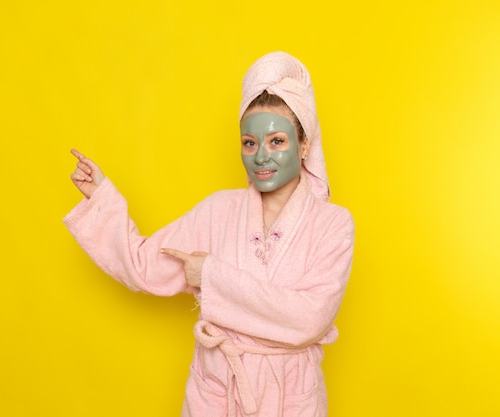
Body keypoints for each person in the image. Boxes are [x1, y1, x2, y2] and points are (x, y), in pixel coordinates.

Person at [64, 51, 354, 417]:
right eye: (250, 143)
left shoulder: (333, 224)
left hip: (290, 394)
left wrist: (211, 275)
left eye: (277, 141)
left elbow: (311, 318)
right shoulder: (218, 211)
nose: (261, 156)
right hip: (217, 390)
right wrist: (102, 198)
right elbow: (143, 267)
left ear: (305, 145)